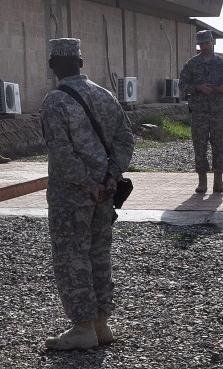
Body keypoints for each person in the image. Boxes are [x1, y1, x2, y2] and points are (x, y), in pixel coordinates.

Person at [40, 38, 135, 350]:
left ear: (53, 65)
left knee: (71, 258)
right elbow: (125, 139)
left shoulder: (55, 101)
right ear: (80, 63)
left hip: (73, 196)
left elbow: (62, 154)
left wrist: (86, 184)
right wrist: (109, 178)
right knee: (98, 255)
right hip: (104, 194)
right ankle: (100, 324)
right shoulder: (104, 95)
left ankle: (82, 327)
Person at [179, 30, 223, 193]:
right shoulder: (192, 64)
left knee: (219, 145)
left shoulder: (222, 64)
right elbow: (182, 85)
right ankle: (202, 182)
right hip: (199, 112)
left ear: (213, 42)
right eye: (201, 43)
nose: (204, 46)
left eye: (207, 42)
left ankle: (218, 181)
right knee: (200, 146)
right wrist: (197, 88)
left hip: (217, 112)